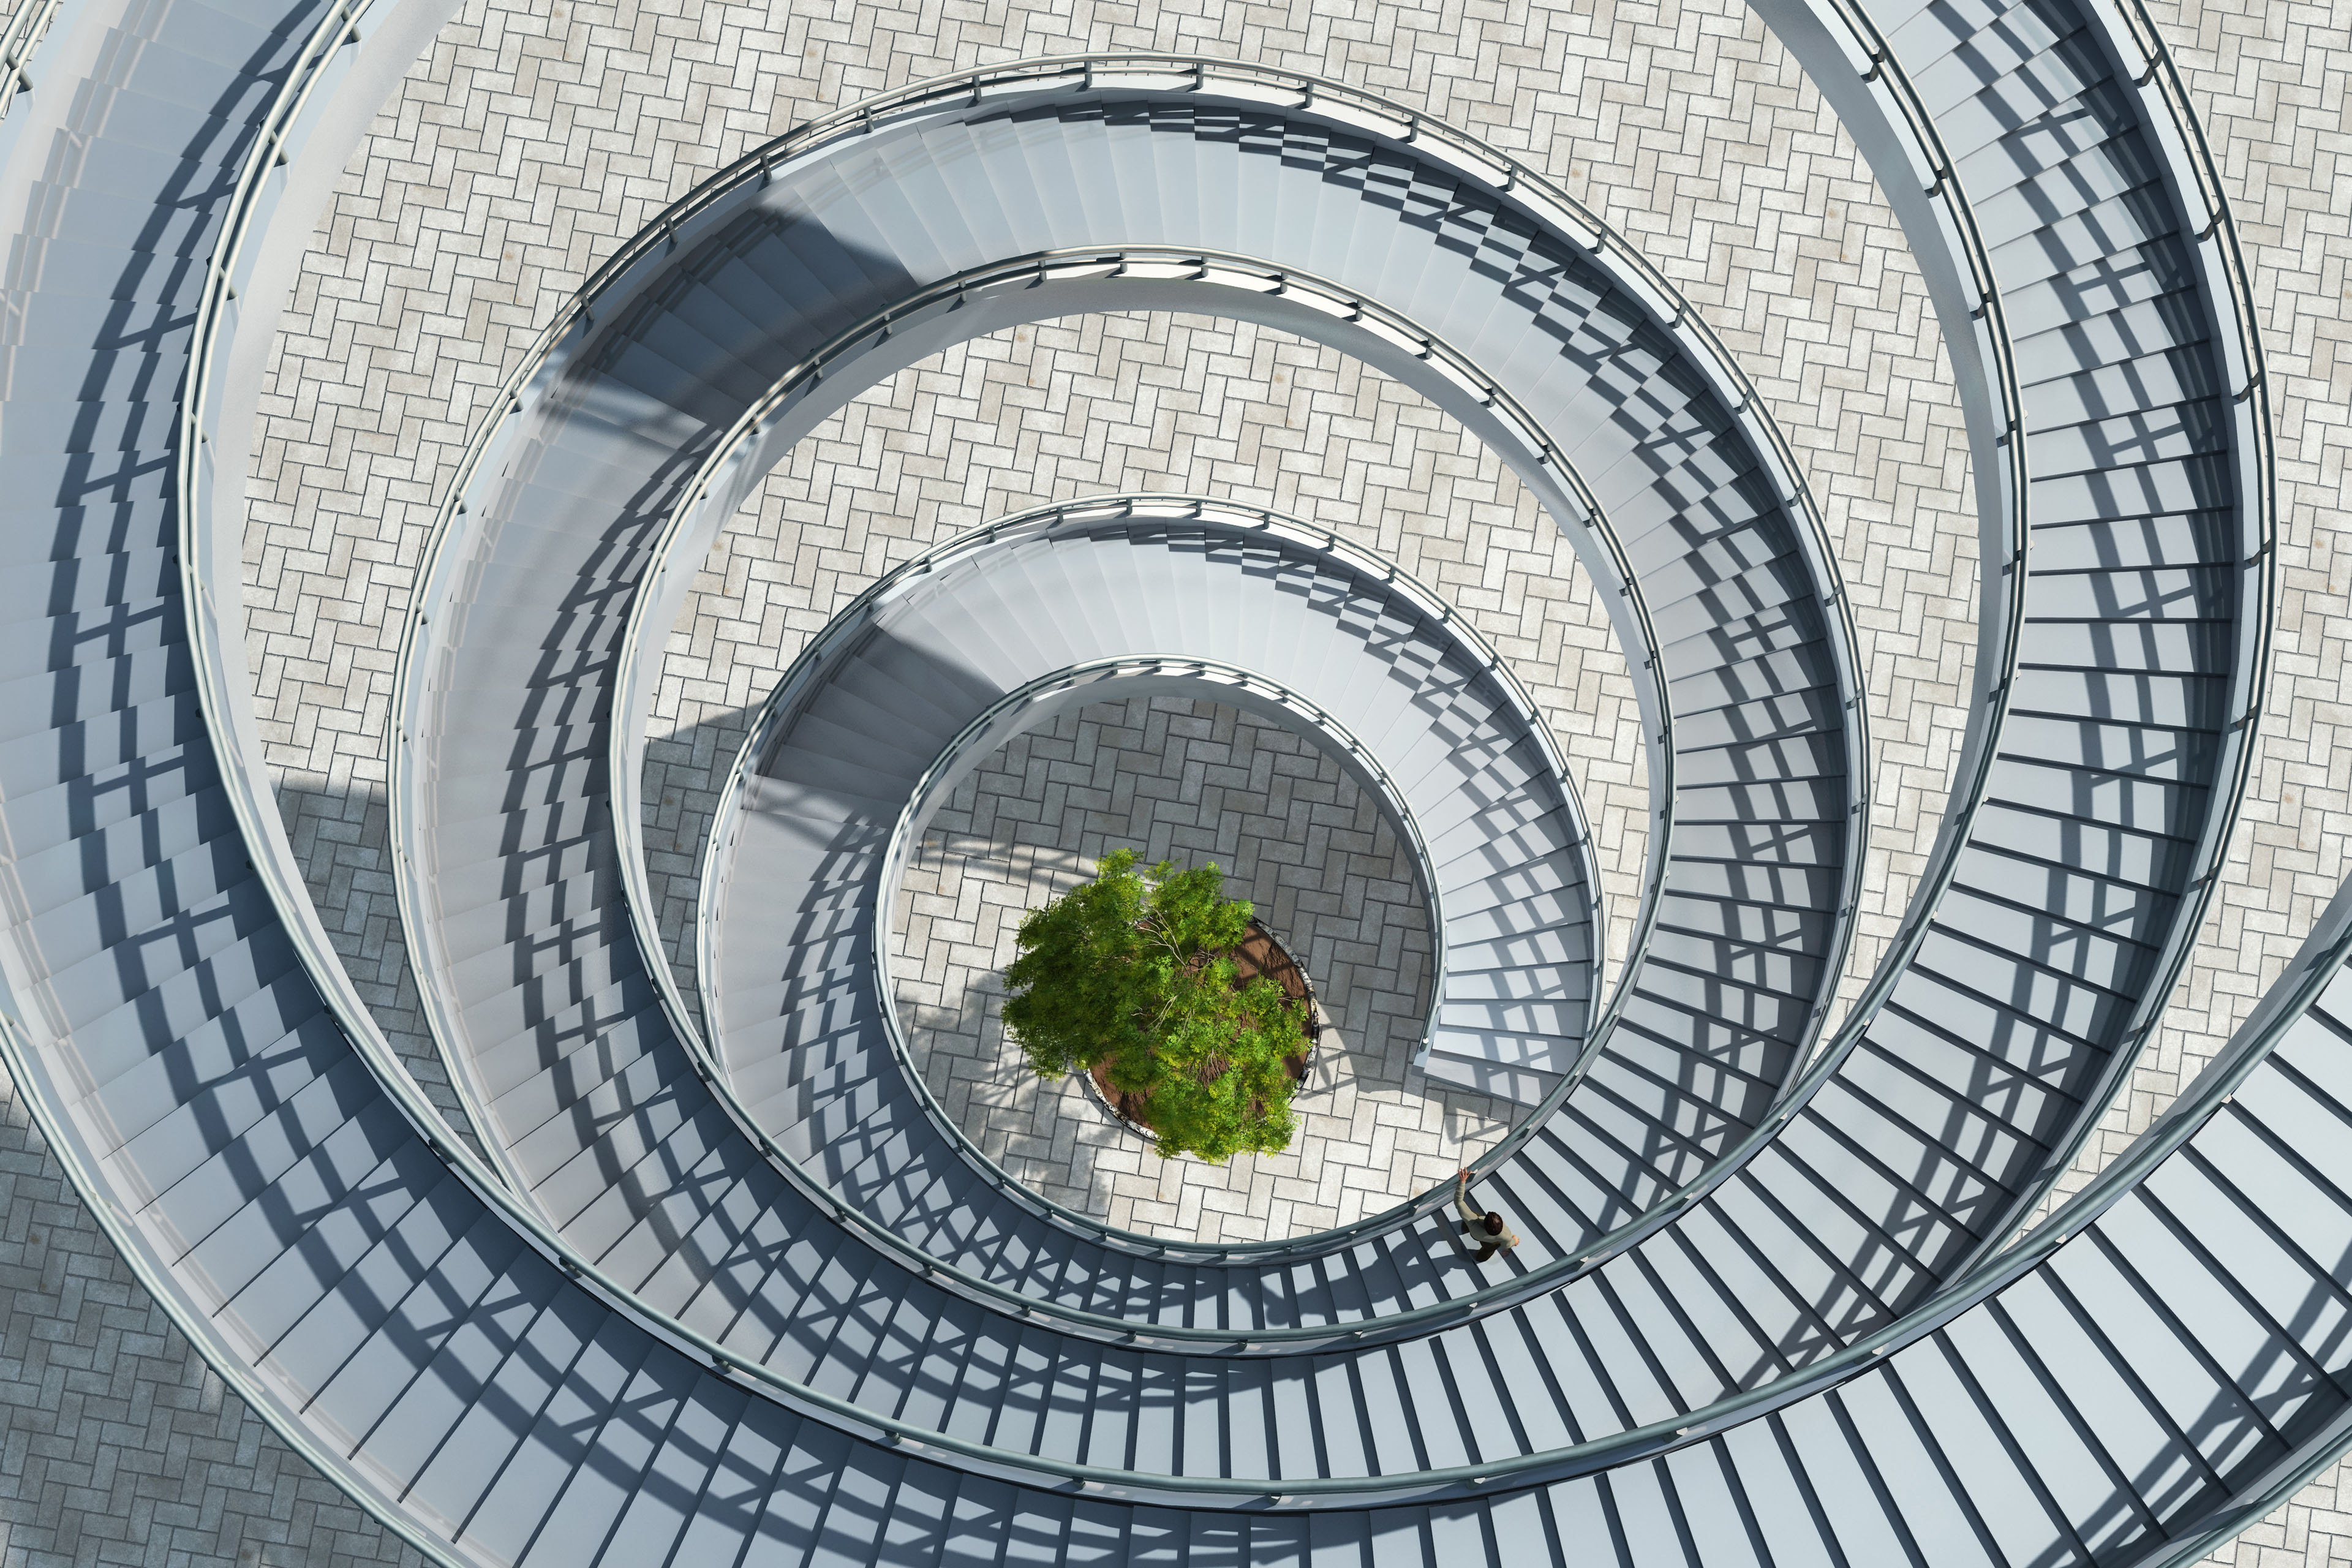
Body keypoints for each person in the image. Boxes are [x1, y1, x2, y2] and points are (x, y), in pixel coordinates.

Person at [1455, 1168, 1519, 1261]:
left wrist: (1462, 1182)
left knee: (1472, 1216)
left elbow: (1459, 1202)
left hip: (1474, 1234)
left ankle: (1465, 1228)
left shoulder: (1472, 1221)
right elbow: (1507, 1244)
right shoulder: (1505, 1234)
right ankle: (1481, 1258)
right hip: (1489, 1243)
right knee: (1489, 1249)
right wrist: (1514, 1241)